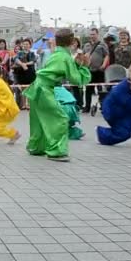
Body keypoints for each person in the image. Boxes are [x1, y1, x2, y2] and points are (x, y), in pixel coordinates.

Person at [24, 28, 91, 162]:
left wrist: (77, 64)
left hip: (37, 87)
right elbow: (76, 79)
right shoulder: (64, 57)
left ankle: (36, 147)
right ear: (72, 41)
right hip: (44, 89)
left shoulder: (56, 54)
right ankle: (56, 151)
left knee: (39, 119)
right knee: (59, 118)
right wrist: (84, 66)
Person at [83, 28, 109, 113]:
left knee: (101, 90)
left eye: (93, 34)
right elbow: (83, 56)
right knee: (88, 90)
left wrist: (104, 65)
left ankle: (103, 106)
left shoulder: (102, 45)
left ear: (97, 34)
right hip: (89, 70)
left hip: (99, 70)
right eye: (91, 34)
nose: (92, 36)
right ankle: (87, 107)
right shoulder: (86, 45)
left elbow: (106, 56)